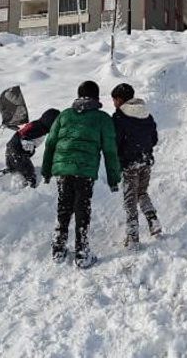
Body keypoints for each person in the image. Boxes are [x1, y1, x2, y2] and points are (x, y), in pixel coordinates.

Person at [41, 81, 122, 268]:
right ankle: (82, 253)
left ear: (79, 95)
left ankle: (58, 249)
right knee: (82, 209)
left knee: (64, 207)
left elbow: (50, 144)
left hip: (63, 170)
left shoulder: (64, 115)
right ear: (96, 96)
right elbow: (110, 150)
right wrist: (113, 179)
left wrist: (46, 171)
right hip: (84, 171)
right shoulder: (102, 119)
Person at [111, 83, 162, 250]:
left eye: (114, 99)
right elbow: (154, 139)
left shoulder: (119, 117)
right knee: (142, 193)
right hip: (145, 161)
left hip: (129, 164)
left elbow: (115, 142)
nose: (113, 103)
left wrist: (119, 155)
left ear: (120, 99)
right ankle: (153, 219)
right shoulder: (146, 114)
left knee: (130, 198)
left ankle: (133, 235)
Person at [3, 108, 60, 188]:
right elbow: (24, 133)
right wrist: (26, 141)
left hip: (12, 150)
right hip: (17, 152)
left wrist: (30, 149)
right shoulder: (38, 127)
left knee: (14, 169)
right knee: (30, 174)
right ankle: (29, 190)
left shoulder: (40, 126)